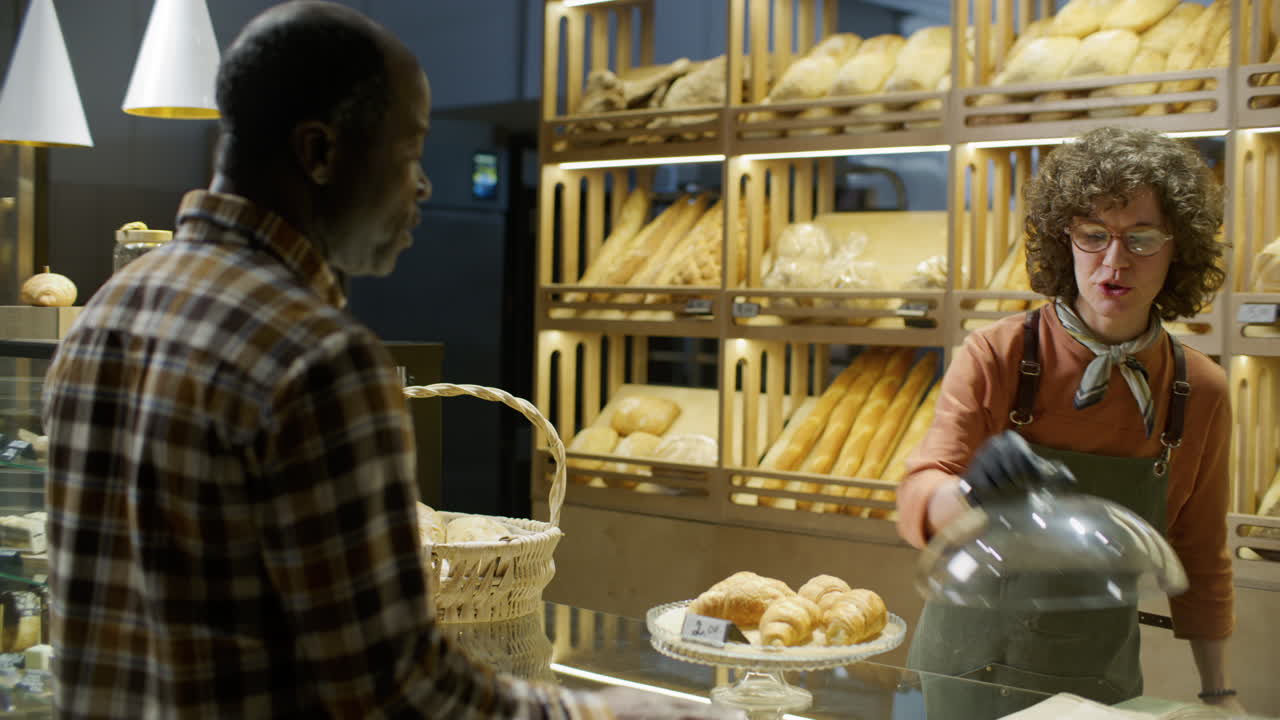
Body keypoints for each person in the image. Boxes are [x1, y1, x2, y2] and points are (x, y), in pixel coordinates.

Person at [41, 3, 738, 719]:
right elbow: (402, 695)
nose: (424, 187)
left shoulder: (106, 315)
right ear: (320, 153)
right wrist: (614, 713)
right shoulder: (317, 359)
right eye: (409, 153)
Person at [896, 127, 1244, 716]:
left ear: (1177, 247)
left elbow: (1203, 557)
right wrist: (966, 491)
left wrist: (1219, 696)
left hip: (1093, 688)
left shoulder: (1198, 391)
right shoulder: (1000, 355)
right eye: (1093, 235)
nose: (1115, 260)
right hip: (961, 675)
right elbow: (917, 495)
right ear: (1066, 241)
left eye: (1141, 237)